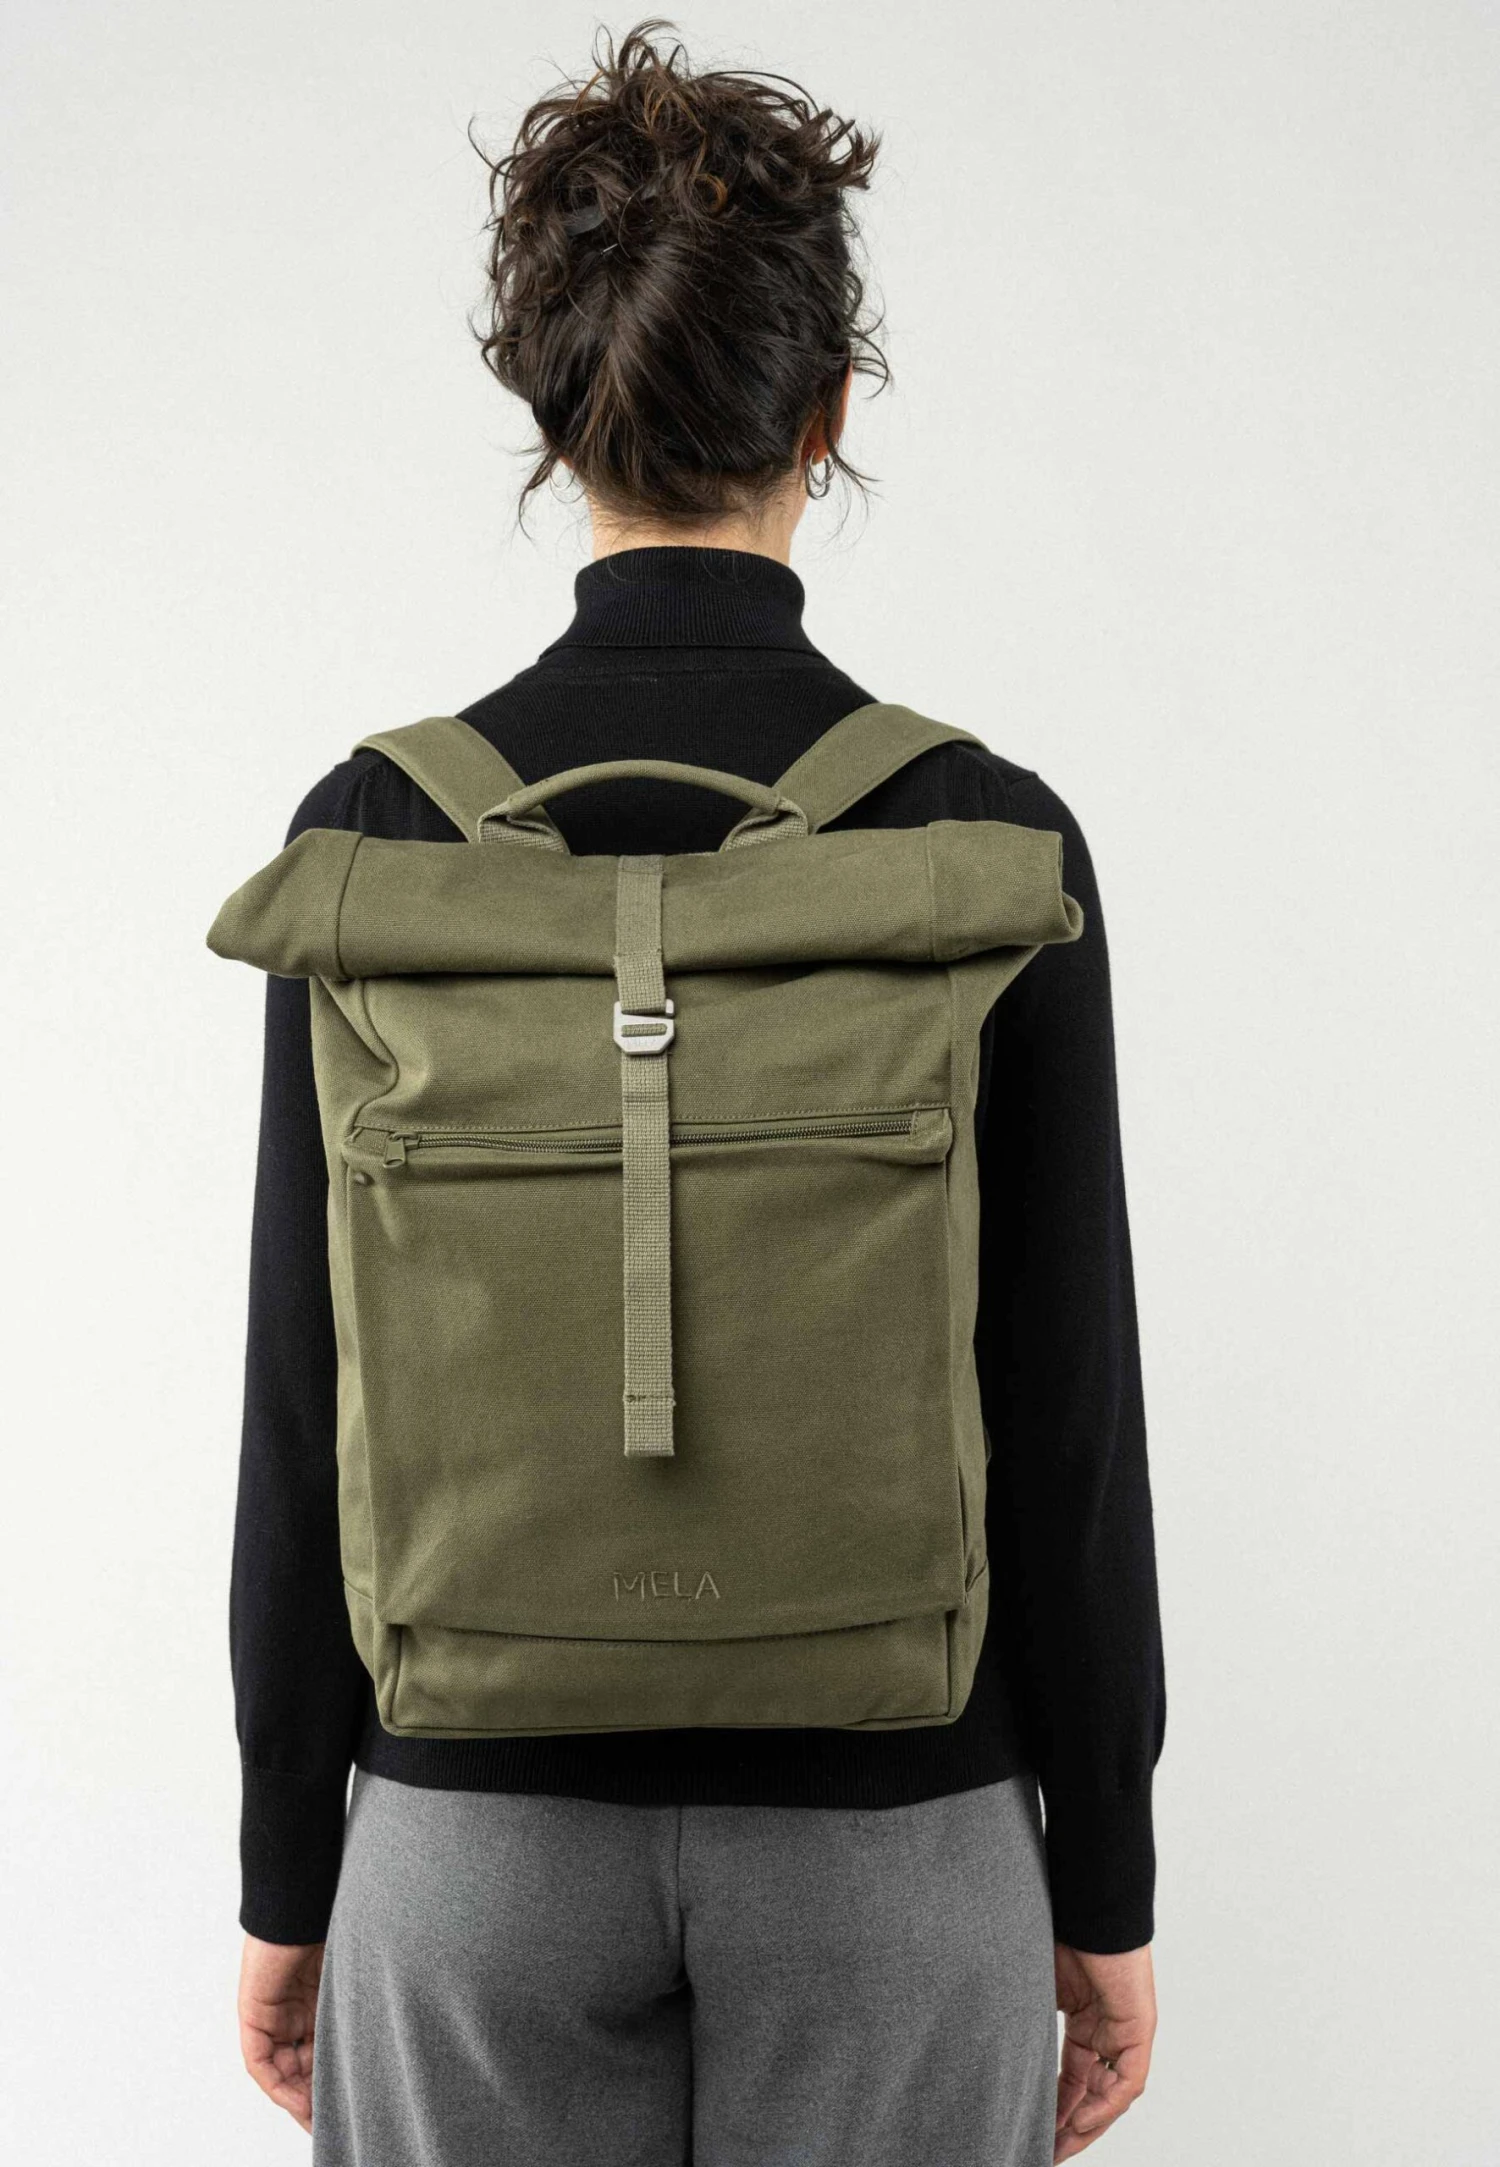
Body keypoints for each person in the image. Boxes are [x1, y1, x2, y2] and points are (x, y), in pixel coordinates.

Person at [232, 25, 1164, 2166]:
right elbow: (1070, 1408)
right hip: (898, 1846)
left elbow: (305, 1396)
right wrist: (1103, 1877)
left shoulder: (374, 838)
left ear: (553, 415)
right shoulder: (980, 838)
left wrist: (290, 1866)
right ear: (827, 412)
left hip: (469, 1848)